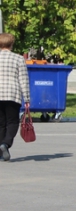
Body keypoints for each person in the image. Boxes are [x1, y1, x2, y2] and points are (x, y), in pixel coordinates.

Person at [0, 33, 31, 162]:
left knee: (0, 124)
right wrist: (27, 98)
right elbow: (23, 79)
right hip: (13, 95)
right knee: (12, 122)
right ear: (11, 44)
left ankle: (1, 151)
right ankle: (6, 144)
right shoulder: (18, 59)